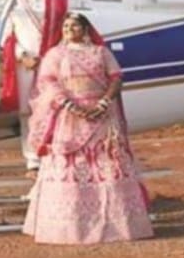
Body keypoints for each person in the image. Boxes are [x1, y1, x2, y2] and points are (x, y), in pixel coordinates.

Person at [22, 12, 153, 245]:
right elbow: (47, 82)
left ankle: (117, 225)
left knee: (108, 165)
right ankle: (69, 227)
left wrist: (104, 102)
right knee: (71, 165)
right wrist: (69, 104)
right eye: (65, 26)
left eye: (74, 26)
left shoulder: (101, 52)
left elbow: (116, 77)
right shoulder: (55, 54)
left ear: (85, 29)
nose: (69, 30)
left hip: (103, 115)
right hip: (68, 117)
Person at [0, 0, 69, 179]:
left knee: (56, 109)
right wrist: (22, 56)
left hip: (53, 64)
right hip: (25, 64)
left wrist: (54, 58)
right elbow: (6, 37)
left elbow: (67, 33)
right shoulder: (12, 4)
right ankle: (33, 160)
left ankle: (56, 155)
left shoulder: (59, 2)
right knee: (27, 112)